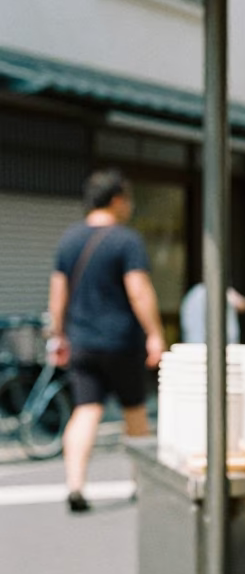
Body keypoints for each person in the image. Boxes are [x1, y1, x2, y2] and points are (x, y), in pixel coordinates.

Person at [48, 168, 166, 513]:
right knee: (135, 412)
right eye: (128, 198)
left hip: (82, 341)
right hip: (121, 341)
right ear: (116, 199)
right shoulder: (126, 240)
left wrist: (58, 336)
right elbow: (139, 291)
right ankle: (140, 482)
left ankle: (75, 485)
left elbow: (57, 295)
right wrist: (155, 333)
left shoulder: (69, 239)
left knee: (85, 410)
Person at [179, 283, 245, 344]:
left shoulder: (193, 294)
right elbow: (243, 304)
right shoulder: (219, 292)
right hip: (215, 344)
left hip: (194, 343)